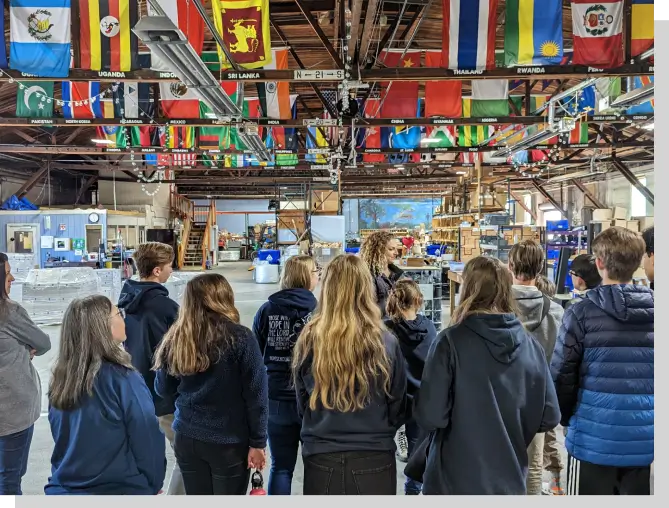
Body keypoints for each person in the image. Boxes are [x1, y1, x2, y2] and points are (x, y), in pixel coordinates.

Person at [414, 256, 560, 495]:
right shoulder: (531, 346)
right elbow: (549, 415)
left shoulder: (449, 342)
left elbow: (430, 416)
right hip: (509, 478)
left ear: (467, 288)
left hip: (453, 478)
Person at [292, 254, 408, 495]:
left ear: (328, 289)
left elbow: (302, 402)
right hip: (374, 452)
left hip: (321, 453)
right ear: (365, 289)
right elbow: (397, 403)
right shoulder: (385, 341)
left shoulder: (309, 339)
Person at [551, 227, 653, 496]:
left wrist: (564, 418)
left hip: (592, 440)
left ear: (599, 264)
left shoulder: (580, 313)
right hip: (645, 442)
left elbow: (563, 374)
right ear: (639, 262)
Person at [153, 273, 268, 495]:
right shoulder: (241, 337)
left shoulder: (175, 338)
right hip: (229, 441)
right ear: (224, 298)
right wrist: (258, 442)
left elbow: (162, 390)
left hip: (187, 436)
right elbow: (257, 396)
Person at [45, 295, 165, 495]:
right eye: (118, 313)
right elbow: (147, 439)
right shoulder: (124, 379)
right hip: (119, 489)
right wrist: (152, 485)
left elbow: (63, 442)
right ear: (104, 327)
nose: (123, 319)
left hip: (65, 489)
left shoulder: (60, 381)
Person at [117, 242, 183, 495]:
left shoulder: (124, 301)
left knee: (139, 457)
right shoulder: (166, 307)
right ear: (157, 271)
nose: (171, 270)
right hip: (164, 393)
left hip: (132, 389)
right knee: (186, 456)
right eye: (168, 266)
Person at [252, 255, 319, 495]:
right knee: (316, 468)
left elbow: (255, 356)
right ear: (305, 277)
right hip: (313, 398)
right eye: (315, 271)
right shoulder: (321, 311)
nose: (318, 275)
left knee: (281, 467)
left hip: (276, 396)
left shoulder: (266, 310)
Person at [507, 240, 564, 495]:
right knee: (534, 465)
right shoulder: (556, 311)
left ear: (510, 266)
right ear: (540, 269)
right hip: (538, 397)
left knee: (500, 462)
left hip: (500, 397)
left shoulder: (496, 306)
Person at [0, 252, 52, 496]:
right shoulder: (8, 312)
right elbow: (43, 342)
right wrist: (24, 349)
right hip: (11, 412)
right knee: (9, 479)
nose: (11, 278)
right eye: (6, 272)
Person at [383, 279, 437, 495]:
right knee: (417, 457)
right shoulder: (430, 328)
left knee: (383, 446)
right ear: (418, 300)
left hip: (391, 398)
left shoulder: (386, 329)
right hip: (420, 400)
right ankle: (412, 492)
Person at [359, 231, 407, 461]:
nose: (396, 252)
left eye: (396, 248)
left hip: (399, 333)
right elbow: (366, 309)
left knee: (399, 384)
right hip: (378, 336)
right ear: (378, 250)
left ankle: (401, 429)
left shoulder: (397, 274)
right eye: (391, 248)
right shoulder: (367, 276)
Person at [534, 275, 563, 495]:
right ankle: (556, 480)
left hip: (533, 381)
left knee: (537, 440)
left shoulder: (532, 315)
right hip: (550, 382)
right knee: (550, 432)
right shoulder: (558, 314)